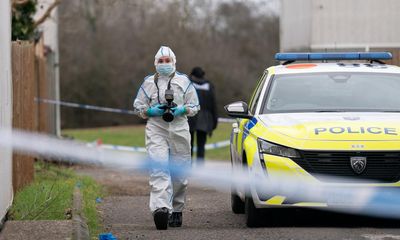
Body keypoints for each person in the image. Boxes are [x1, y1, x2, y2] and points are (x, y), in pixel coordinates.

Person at [133, 46, 199, 230]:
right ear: (155, 63)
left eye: (167, 60)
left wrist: (182, 109)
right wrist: (150, 111)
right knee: (159, 168)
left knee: (180, 172)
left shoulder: (184, 81)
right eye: (160, 61)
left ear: (174, 61)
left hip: (179, 128)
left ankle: (177, 209)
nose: (164, 64)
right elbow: (138, 106)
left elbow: (194, 105)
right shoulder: (149, 82)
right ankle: (161, 209)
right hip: (157, 128)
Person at [188, 67, 218, 164]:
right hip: (205, 118)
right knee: (201, 144)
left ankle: (189, 166)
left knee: (189, 144)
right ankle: (200, 167)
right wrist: (214, 121)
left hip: (190, 116)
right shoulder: (209, 86)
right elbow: (214, 105)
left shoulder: (189, 84)